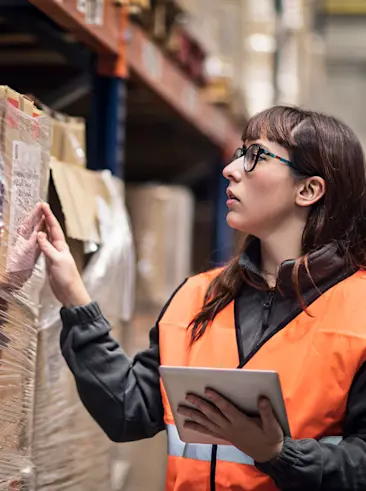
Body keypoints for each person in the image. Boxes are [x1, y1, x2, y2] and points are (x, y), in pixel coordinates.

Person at [37, 106, 366, 491]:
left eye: (255, 155)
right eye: (239, 153)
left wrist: (279, 453)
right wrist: (76, 300)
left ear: (308, 189)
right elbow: (129, 411)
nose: (232, 169)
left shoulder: (358, 309)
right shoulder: (198, 298)